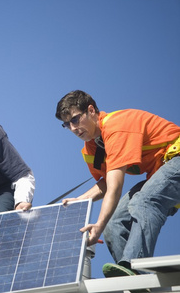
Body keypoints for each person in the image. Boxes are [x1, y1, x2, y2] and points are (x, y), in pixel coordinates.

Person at [56, 90, 180, 279]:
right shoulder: (91, 149)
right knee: (113, 224)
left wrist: (97, 223)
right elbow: (106, 182)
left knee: (143, 202)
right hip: (159, 173)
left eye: (74, 120)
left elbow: (115, 187)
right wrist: (80, 200)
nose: (73, 128)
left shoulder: (117, 126)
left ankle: (135, 268)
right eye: (66, 125)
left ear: (91, 110)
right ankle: (135, 282)